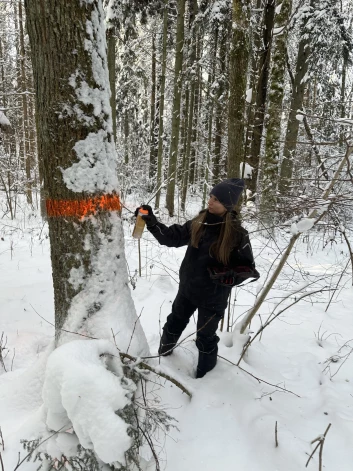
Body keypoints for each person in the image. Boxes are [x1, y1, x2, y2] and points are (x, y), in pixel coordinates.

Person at [135, 178, 259, 378]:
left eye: (216, 199)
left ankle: (205, 379)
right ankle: (162, 358)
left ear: (227, 205)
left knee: (205, 337)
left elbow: (248, 268)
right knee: (174, 323)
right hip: (188, 290)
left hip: (214, 297)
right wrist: (152, 221)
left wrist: (230, 277)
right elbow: (171, 238)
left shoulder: (237, 234)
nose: (210, 201)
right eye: (211, 196)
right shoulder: (198, 222)